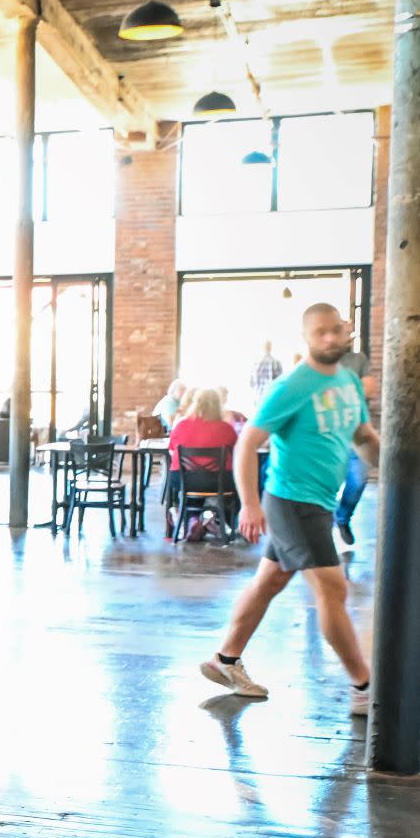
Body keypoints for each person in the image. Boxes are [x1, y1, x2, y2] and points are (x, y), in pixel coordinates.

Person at [199, 303, 378, 714]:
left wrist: (403, 468)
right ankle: (365, 687)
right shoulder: (292, 386)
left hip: (318, 500)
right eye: (320, 333)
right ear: (307, 338)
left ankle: (224, 660)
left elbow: (363, 435)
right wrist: (248, 505)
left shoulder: (350, 382)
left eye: (336, 330)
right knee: (334, 589)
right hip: (292, 501)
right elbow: (247, 443)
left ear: (346, 332)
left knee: (271, 581)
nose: (330, 338)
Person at [165, 387, 240, 516]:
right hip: (218, 481)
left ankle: (191, 519)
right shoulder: (227, 429)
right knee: (239, 485)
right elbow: (237, 454)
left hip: (184, 479)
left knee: (190, 485)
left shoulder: (181, 426)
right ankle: (210, 519)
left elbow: (172, 451)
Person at [332, 348, 373, 548]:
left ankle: (342, 518)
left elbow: (368, 389)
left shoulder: (357, 360)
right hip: (328, 436)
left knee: (358, 479)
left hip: (353, 431)